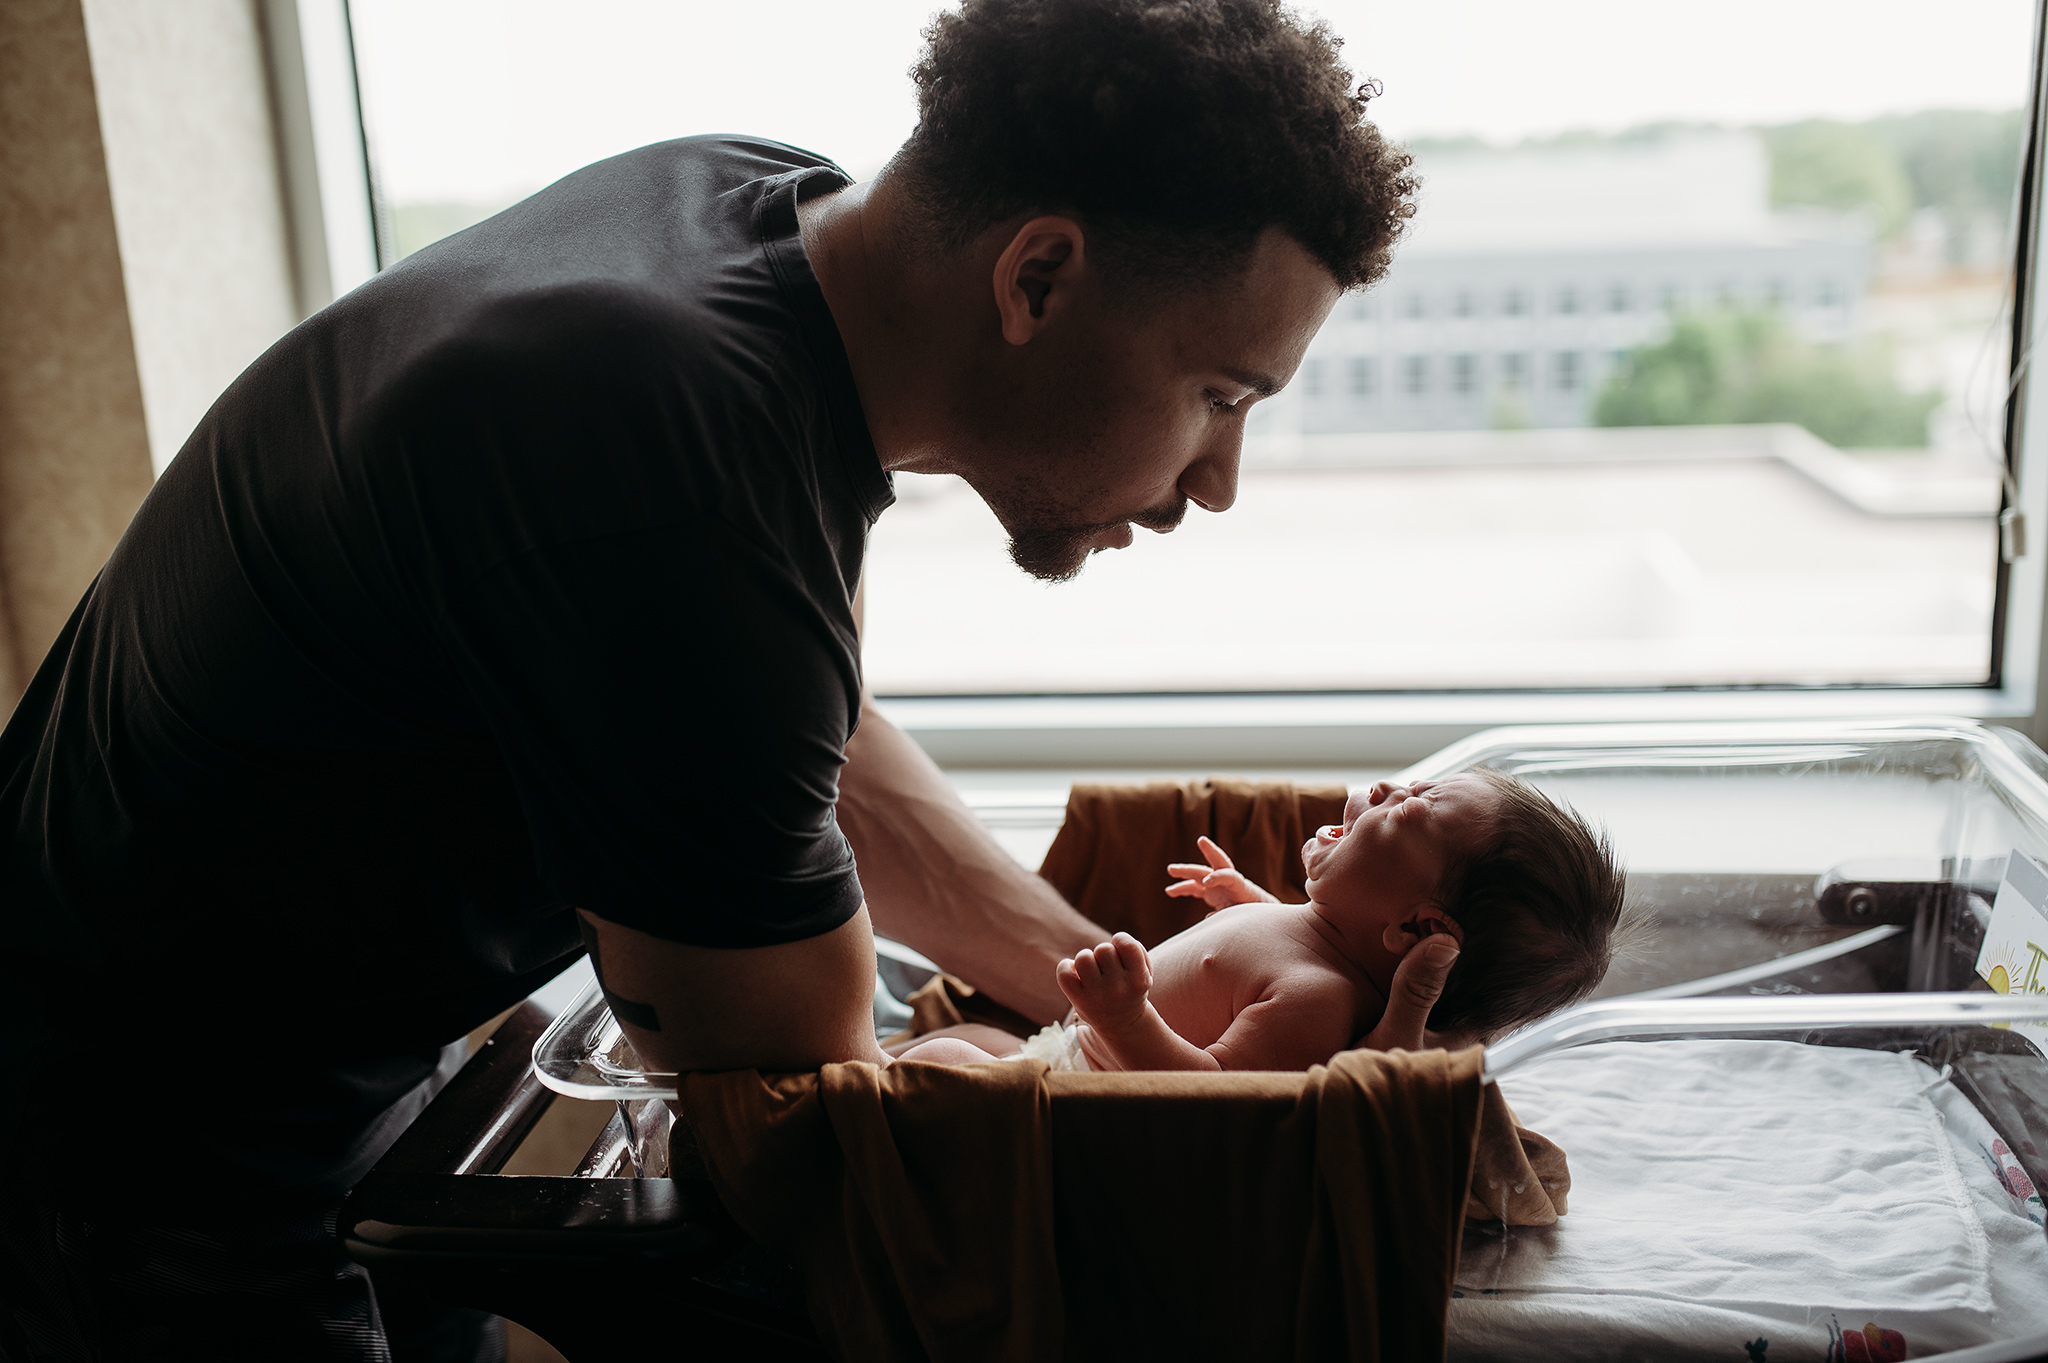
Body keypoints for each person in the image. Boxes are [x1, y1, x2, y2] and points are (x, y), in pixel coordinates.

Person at [0, 0, 1426, 1358]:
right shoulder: (658, 454)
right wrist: (1223, 1128)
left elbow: (815, 744)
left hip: (334, 1050)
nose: (1221, 480)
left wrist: (1164, 1010)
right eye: (1223, 395)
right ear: (1036, 277)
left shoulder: (766, 225)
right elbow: (812, 1109)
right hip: (141, 1140)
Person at [896, 771, 1628, 1070]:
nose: (1382, 786)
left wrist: (1127, 1020)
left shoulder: (1317, 998)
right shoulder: (1315, 941)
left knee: (945, 1065)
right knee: (967, 1041)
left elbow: (1210, 1096)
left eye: (1410, 807)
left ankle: (836, 1107)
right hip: (1061, 1050)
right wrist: (1244, 901)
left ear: (1413, 929)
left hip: (1073, 1102)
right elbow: (1267, 946)